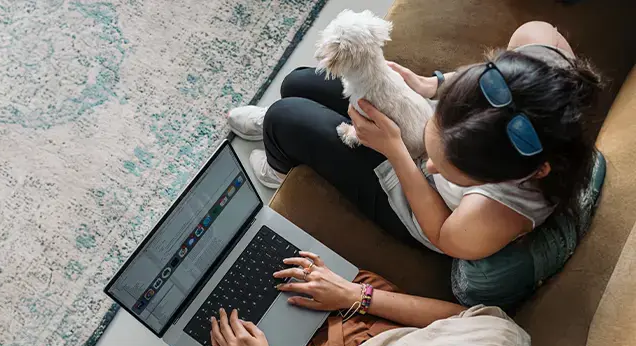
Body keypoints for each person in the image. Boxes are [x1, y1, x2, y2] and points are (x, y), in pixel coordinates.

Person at [228, 21, 601, 260]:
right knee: (300, 81)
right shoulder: (539, 59)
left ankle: (281, 163)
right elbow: (502, 62)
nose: (433, 164)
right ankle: (290, 135)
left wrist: (395, 150)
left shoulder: (491, 218)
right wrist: (431, 85)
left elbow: (440, 233)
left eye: (450, 169)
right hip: (416, 138)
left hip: (419, 204)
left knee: (284, 116)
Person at [191, 252, 533, 346]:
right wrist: (357, 295)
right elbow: (460, 318)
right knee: (295, 264)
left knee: (207, 337)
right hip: (373, 322)